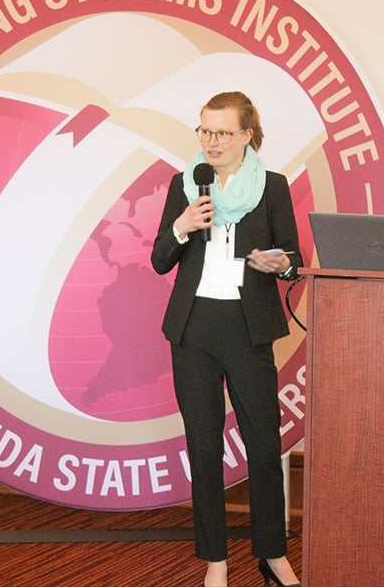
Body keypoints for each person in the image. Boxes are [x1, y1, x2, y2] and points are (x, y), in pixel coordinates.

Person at [151, 91, 302, 587]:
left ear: (246, 136)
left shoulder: (272, 187)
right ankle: (215, 559)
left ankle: (272, 554)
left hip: (247, 325)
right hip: (193, 328)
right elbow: (159, 260)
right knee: (203, 445)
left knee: (263, 442)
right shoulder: (186, 184)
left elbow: (294, 258)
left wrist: (279, 264)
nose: (211, 141)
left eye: (221, 132)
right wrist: (181, 227)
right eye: (205, 131)